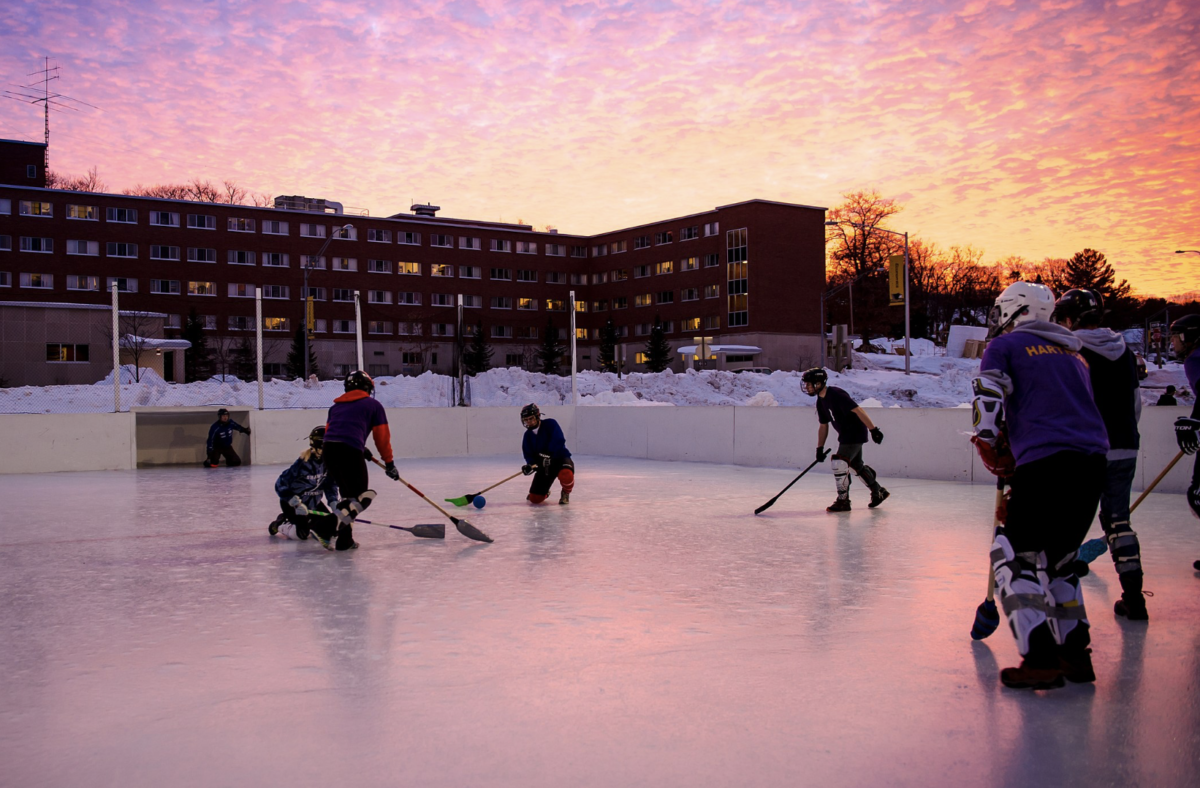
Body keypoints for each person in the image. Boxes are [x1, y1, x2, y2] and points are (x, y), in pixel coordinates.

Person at [972, 281, 1108, 689]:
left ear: (1016, 310)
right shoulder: (1073, 354)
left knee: (1014, 557)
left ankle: (1040, 658)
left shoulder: (1007, 346)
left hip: (1046, 461)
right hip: (1091, 462)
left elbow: (989, 396)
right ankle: (1075, 657)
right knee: (1061, 561)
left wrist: (988, 439)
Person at [1052, 289, 1147, 620]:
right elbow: (1135, 405)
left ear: (1067, 319)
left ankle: (1061, 609)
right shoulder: (1125, 352)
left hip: (1086, 449)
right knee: (1118, 520)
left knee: (1067, 522)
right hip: (1124, 444)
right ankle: (1134, 597)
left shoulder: (1069, 350)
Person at [322, 371, 399, 551]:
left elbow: (332, 432)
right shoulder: (373, 406)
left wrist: (360, 446)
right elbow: (382, 437)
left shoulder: (335, 407)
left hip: (329, 452)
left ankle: (344, 540)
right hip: (349, 451)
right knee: (362, 498)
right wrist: (389, 463)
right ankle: (328, 525)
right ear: (367, 387)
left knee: (349, 498)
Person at [800, 368, 888, 512]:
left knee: (839, 462)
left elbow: (858, 410)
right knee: (855, 465)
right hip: (846, 436)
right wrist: (819, 448)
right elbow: (823, 425)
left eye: (810, 384)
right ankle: (878, 491)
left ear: (819, 383)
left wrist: (873, 430)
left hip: (854, 433)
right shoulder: (820, 401)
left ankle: (843, 501)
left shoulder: (836, 394)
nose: (807, 387)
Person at [269, 426, 340, 548]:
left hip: (314, 503)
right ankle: (282, 522)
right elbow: (280, 483)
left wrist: (333, 500)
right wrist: (294, 502)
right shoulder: (303, 463)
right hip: (294, 504)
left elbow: (330, 484)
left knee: (331, 529)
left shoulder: (328, 462)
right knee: (301, 534)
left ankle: (309, 522)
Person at [1167, 315, 1200, 569]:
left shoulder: (1196, 358)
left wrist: (1195, 420)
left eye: (1175, 337)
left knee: (1198, 494)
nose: (1172, 343)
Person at [520, 403, 574, 504]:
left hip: (560, 459)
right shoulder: (527, 436)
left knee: (566, 474)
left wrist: (549, 454)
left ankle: (566, 492)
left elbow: (559, 440)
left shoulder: (550, 424)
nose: (529, 422)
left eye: (531, 418)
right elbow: (529, 455)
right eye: (526, 420)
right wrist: (530, 465)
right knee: (535, 499)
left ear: (538, 416)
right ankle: (545, 491)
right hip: (544, 466)